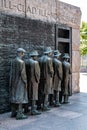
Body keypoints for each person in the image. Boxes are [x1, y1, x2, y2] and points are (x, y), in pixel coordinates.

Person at [10, 48, 28, 120]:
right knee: (20, 97)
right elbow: (23, 74)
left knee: (14, 96)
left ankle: (13, 112)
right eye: (23, 53)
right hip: (20, 82)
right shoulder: (21, 62)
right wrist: (25, 81)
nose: (24, 54)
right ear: (21, 53)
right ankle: (19, 113)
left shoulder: (13, 61)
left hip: (13, 81)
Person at [26, 50, 41, 115]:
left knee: (28, 94)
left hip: (28, 80)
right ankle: (33, 109)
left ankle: (26, 108)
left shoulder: (26, 61)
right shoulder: (35, 63)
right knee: (34, 95)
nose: (37, 57)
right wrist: (38, 80)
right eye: (36, 56)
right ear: (34, 56)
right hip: (34, 81)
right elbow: (37, 74)